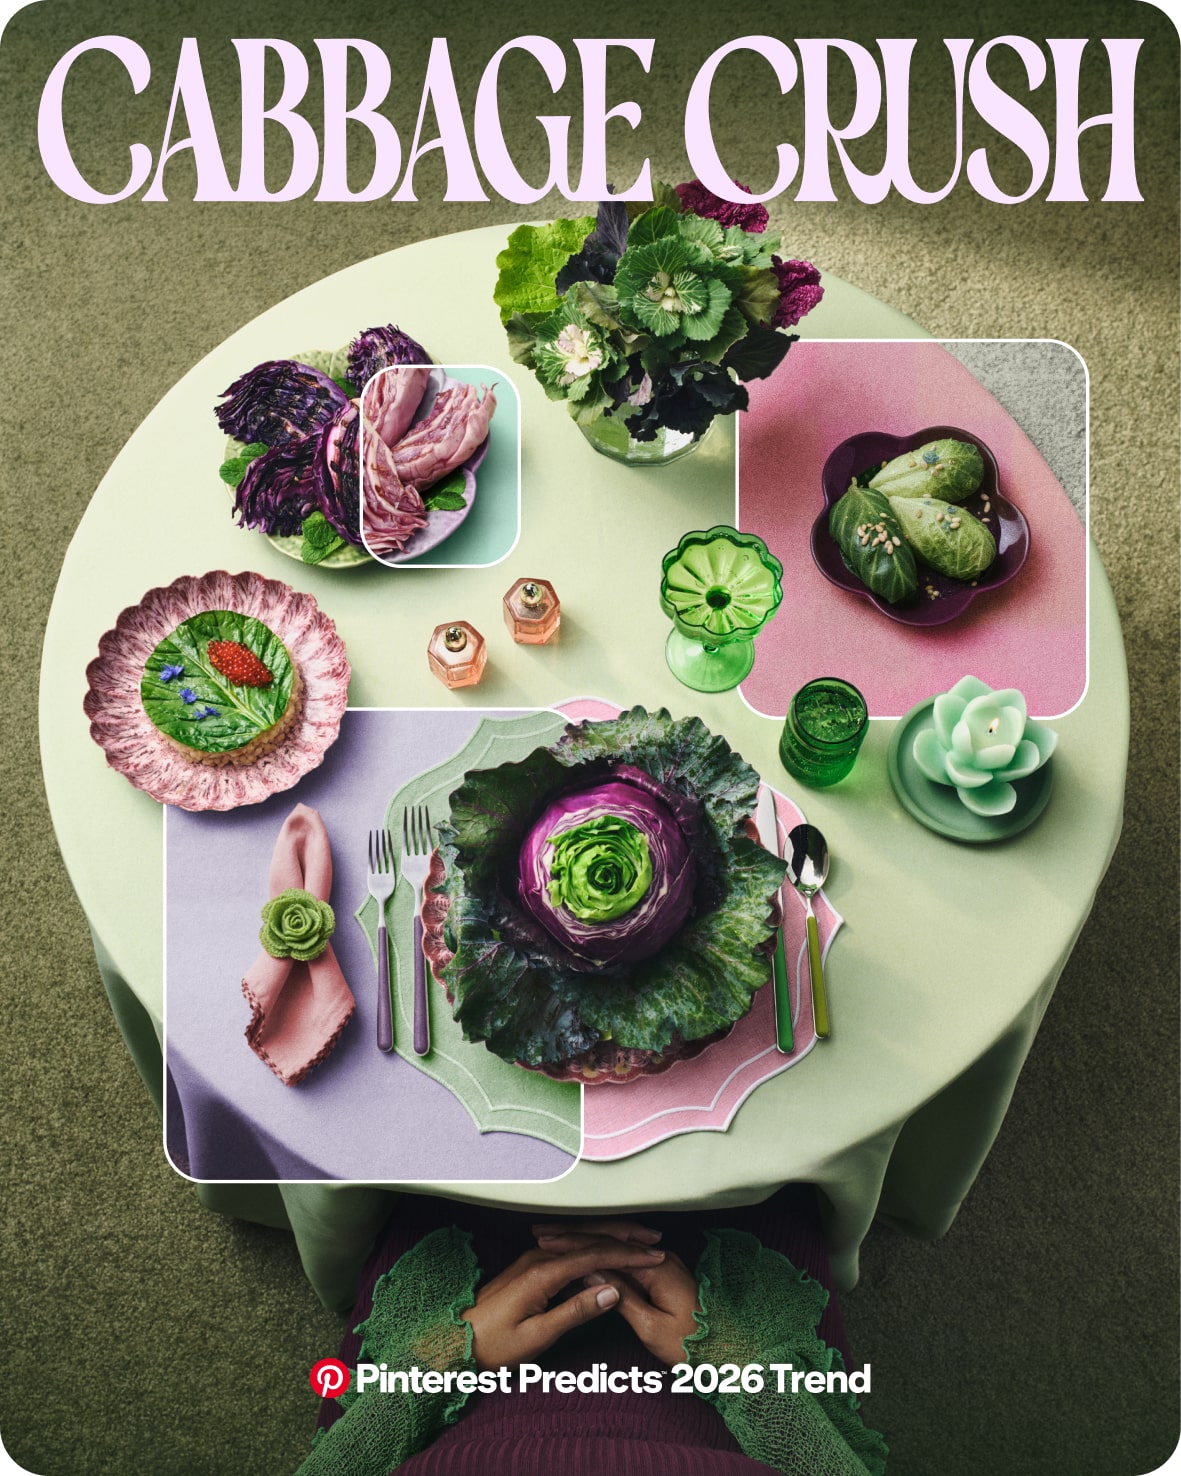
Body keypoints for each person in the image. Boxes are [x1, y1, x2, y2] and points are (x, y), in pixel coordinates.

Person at [297, 1186, 887, 1475]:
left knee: (424, 1173)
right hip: (732, 1397)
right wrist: (733, 1361)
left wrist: (450, 1353)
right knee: (774, 1176)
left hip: (455, 1387)